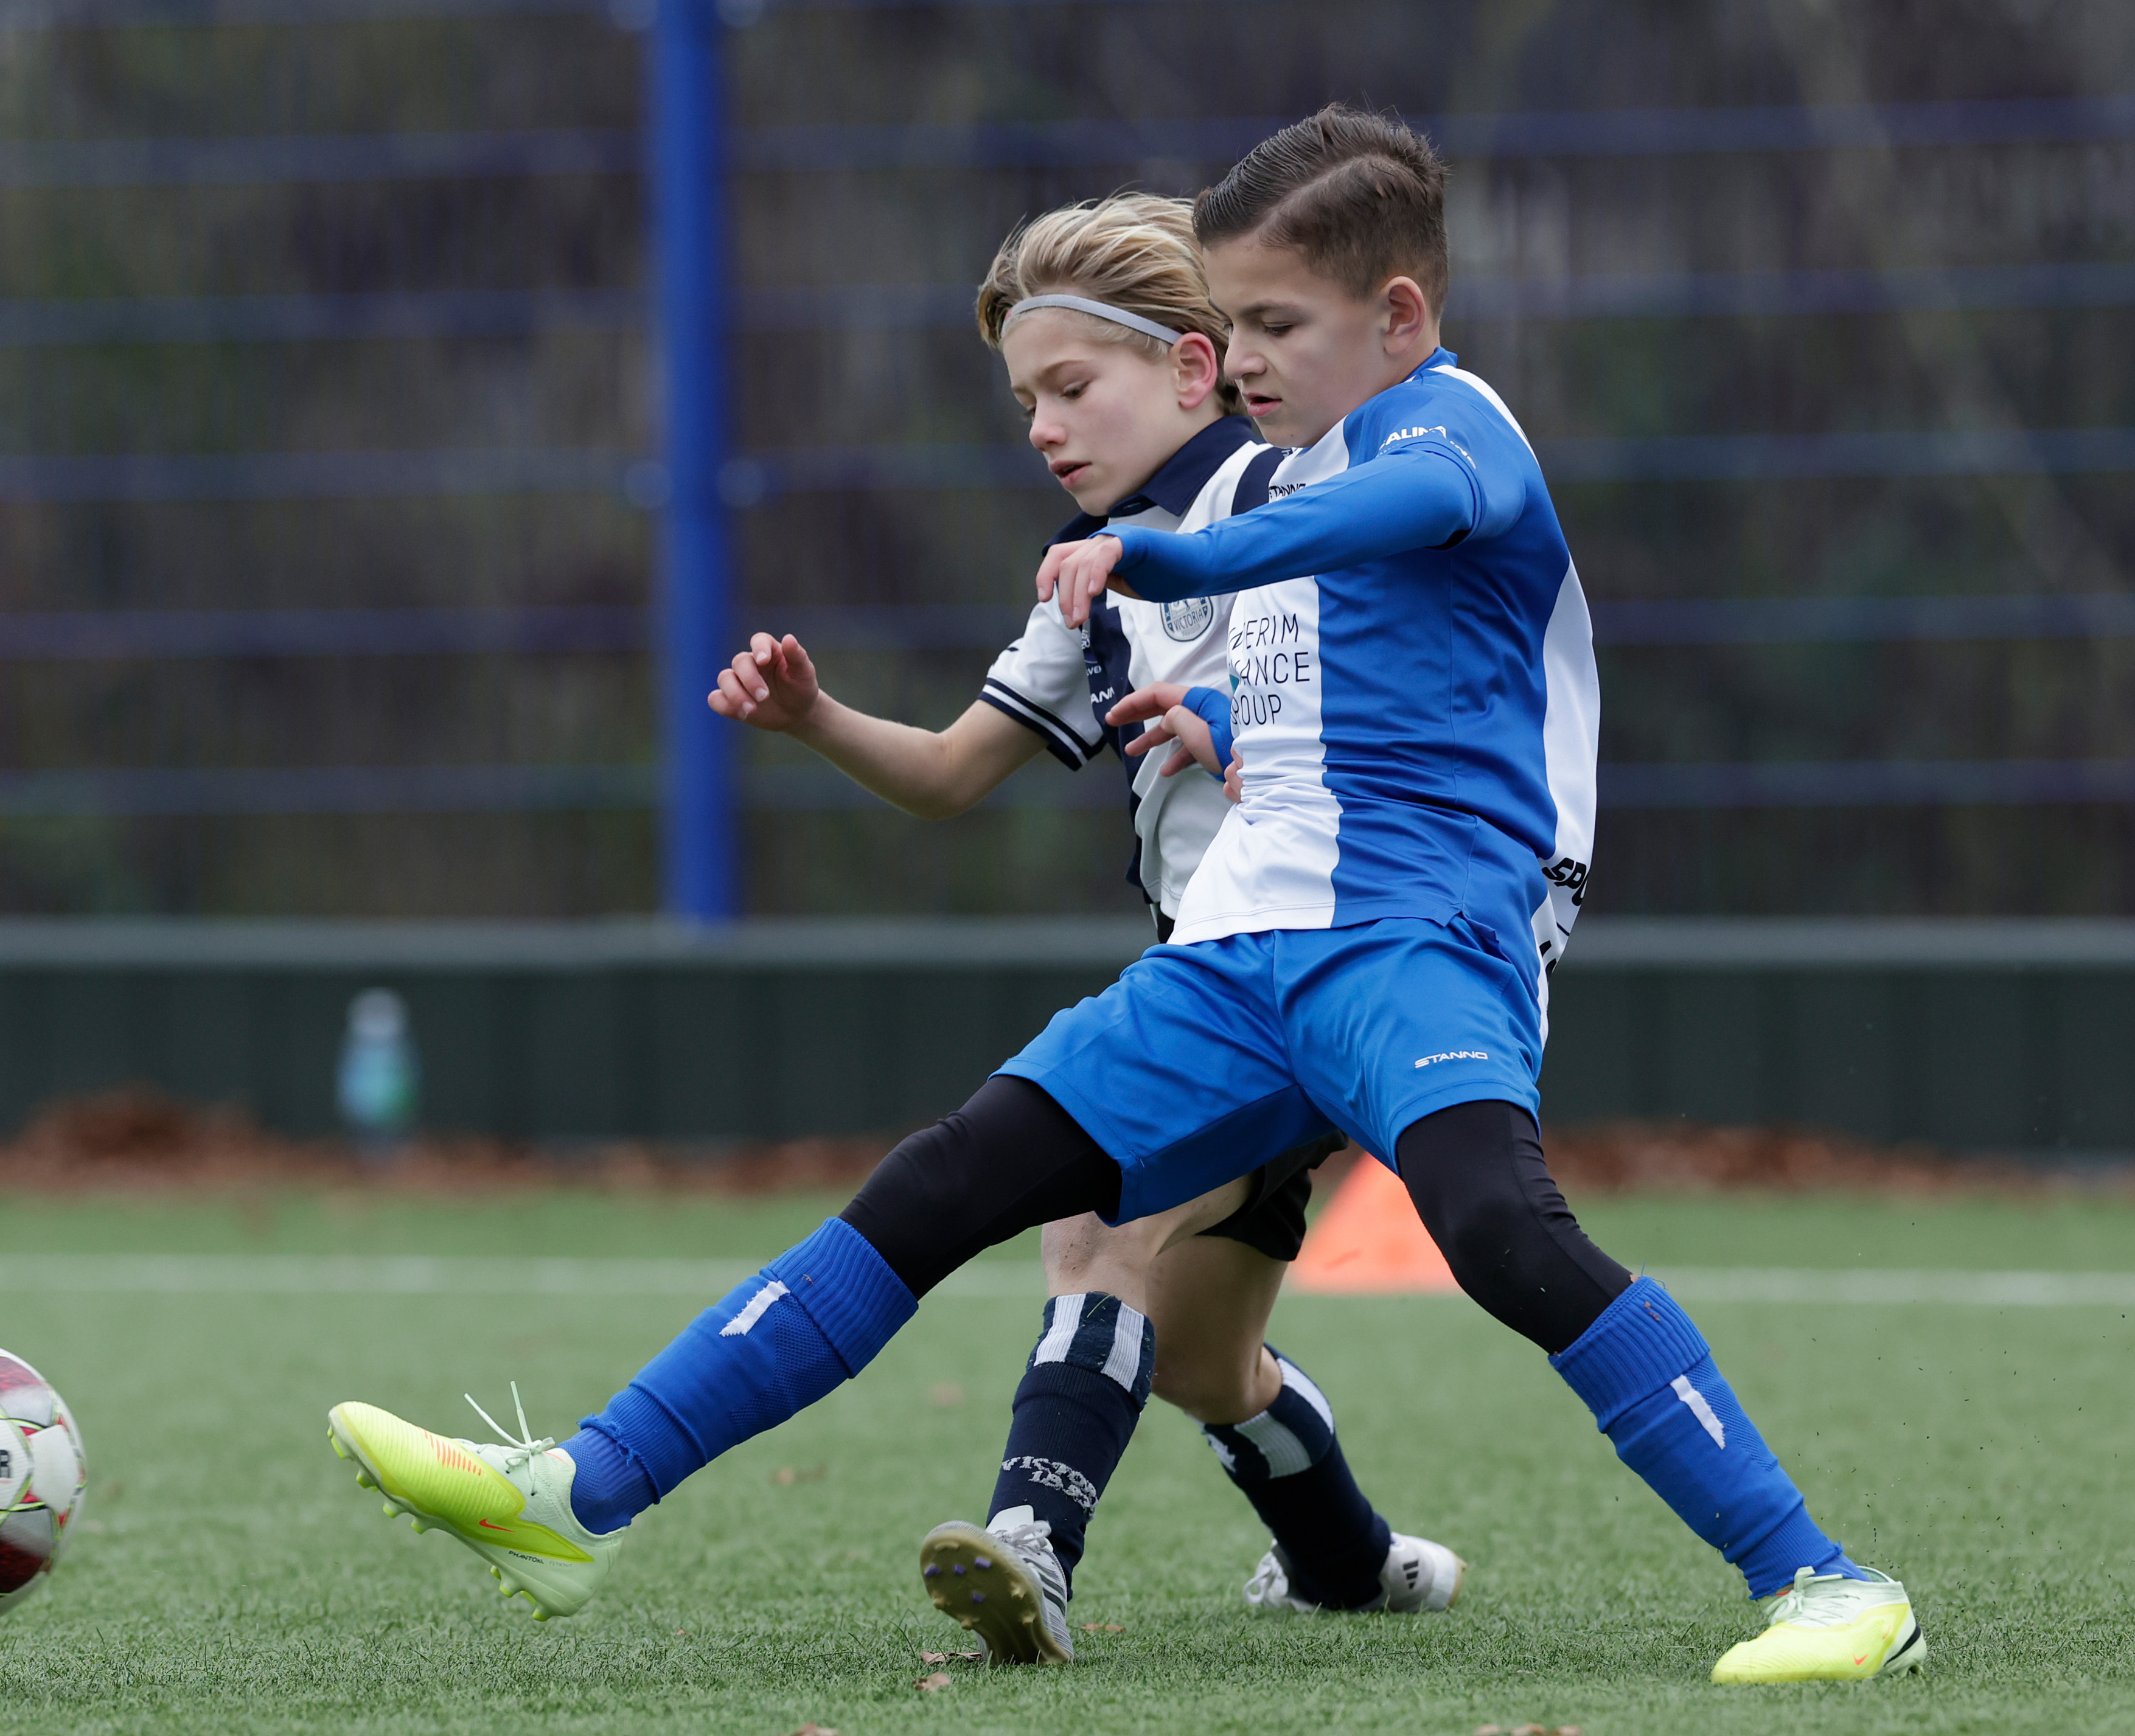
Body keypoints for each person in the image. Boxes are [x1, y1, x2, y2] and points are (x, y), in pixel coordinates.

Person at [325, 106, 1923, 1686]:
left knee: (1503, 1231)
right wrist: (1208, 686)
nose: (1241, 361)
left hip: (1420, 943)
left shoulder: (1452, 432)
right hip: (1232, 958)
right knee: (949, 1181)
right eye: (1226, 325)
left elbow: (1392, 524)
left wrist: (1175, 562)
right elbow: (1302, 700)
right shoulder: (1257, 487)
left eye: (1275, 325)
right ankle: (576, 1492)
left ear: (1400, 314)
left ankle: (1823, 1579)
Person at [702, 193, 1463, 1665]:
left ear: (1192, 366)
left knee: (1092, 1229)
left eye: (1070, 387)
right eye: (1022, 400)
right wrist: (810, 718)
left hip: (1316, 960)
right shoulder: (1089, 564)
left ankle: (1030, 1548)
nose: (1041, 425)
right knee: (1201, 1355)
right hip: (1205, 973)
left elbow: (1390, 701)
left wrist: (1234, 715)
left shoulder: (1300, 499)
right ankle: (1355, 1563)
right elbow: (943, 773)